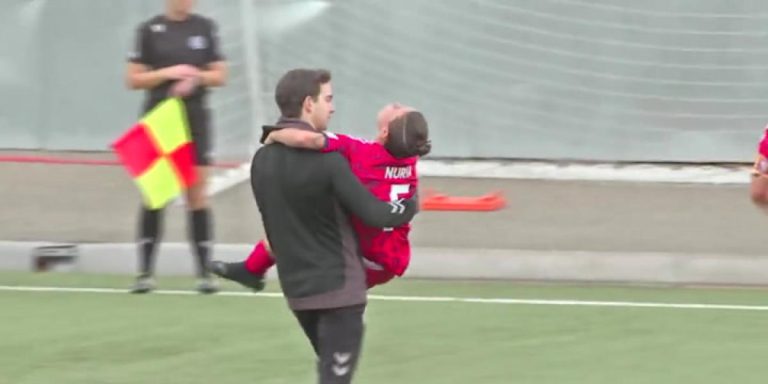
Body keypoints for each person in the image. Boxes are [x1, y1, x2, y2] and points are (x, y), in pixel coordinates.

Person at [250, 68, 419, 384]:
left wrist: (271, 134)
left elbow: (274, 230)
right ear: (308, 104)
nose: (333, 107)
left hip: (298, 291)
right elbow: (374, 213)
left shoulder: (261, 161)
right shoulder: (333, 161)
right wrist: (407, 208)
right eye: (327, 99)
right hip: (340, 290)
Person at [211, 103, 431, 291]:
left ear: (385, 132)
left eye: (399, 110)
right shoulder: (410, 159)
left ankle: (253, 269)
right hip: (391, 259)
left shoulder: (361, 150)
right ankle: (252, 269)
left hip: (364, 259)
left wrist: (274, 133)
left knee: (299, 231)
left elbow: (310, 140)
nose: (397, 104)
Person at [125, 0, 227, 294]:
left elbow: (220, 75)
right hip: (160, 118)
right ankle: (145, 273)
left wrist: (194, 77)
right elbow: (133, 79)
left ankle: (206, 274)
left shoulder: (204, 27)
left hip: (195, 119)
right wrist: (169, 73)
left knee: (197, 196)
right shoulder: (149, 30)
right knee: (156, 195)